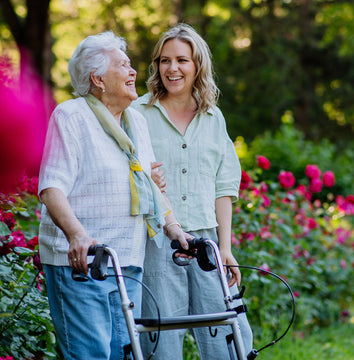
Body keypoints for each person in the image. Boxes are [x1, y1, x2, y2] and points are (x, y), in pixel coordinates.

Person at [38, 31, 188, 360]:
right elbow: (51, 187)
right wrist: (77, 234)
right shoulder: (72, 116)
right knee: (90, 354)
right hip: (82, 263)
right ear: (98, 79)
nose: (134, 72)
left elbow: (147, 183)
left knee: (124, 354)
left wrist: (174, 228)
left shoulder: (135, 121)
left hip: (127, 262)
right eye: (123, 65)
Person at [132, 23, 253, 359]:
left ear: (198, 65)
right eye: (165, 60)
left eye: (182, 60)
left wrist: (225, 248)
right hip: (156, 243)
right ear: (156, 66)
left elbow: (224, 187)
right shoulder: (137, 115)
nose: (173, 69)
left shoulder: (214, 118)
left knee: (228, 341)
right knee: (160, 343)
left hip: (207, 243)